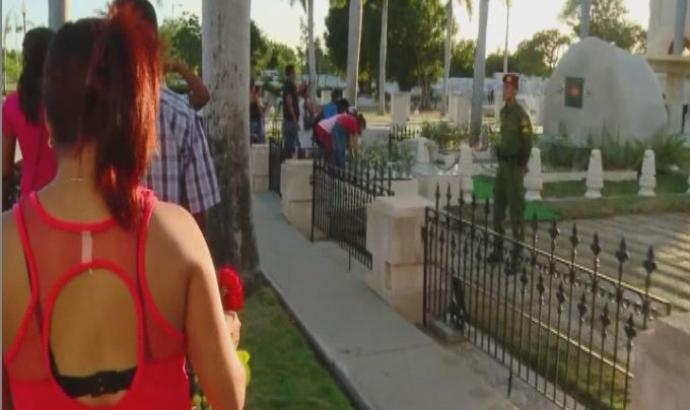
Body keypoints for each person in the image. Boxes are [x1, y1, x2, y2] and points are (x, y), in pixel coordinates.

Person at [2, 9, 244, 410]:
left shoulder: (6, 249)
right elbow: (229, 397)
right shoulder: (177, 235)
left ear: (48, 119)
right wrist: (226, 335)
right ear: (136, 113)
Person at [116, 0, 220, 232]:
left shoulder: (93, 116)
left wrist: (176, 67)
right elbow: (199, 216)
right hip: (167, 257)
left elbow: (202, 96)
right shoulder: (181, 117)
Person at [2, 27, 56, 210]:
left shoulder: (10, 104)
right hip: (62, 197)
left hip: (28, 199)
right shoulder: (65, 99)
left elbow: (5, 167)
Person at [492, 73, 533, 245]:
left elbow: (527, 142)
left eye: (508, 88)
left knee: (516, 210)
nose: (505, 90)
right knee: (498, 209)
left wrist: (523, 164)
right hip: (503, 168)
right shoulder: (504, 113)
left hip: (514, 168)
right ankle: (498, 248)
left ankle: (517, 252)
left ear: (515, 91)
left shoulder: (520, 116)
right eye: (504, 87)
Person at [282, 65, 300, 158]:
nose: (295, 74)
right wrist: (295, 119)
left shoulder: (288, 85)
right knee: (290, 147)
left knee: (289, 145)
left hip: (289, 119)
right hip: (290, 120)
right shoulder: (289, 85)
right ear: (291, 73)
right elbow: (289, 102)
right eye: (294, 72)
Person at [250, 79, 265, 144]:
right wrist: (262, 115)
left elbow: (261, 107)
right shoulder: (254, 96)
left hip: (256, 118)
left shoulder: (256, 97)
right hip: (254, 119)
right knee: (257, 136)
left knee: (258, 136)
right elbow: (259, 108)